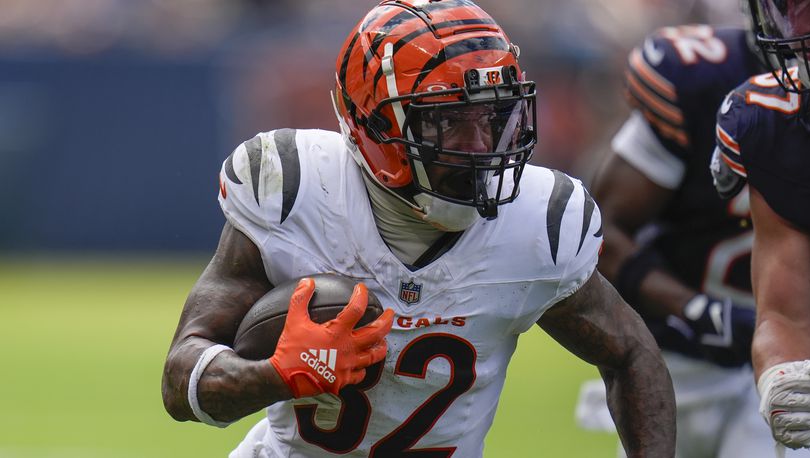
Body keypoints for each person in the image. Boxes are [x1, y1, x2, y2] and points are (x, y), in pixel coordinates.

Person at [161, 1, 676, 457]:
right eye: (447, 121)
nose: (479, 146)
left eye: (492, 118)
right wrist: (278, 375)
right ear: (375, 126)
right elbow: (181, 382)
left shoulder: (539, 223)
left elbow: (631, 353)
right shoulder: (294, 188)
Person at [574, 12, 810, 457]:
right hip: (683, 360)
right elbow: (600, 231)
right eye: (790, 7)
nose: (801, 25)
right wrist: (700, 311)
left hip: (796, 352)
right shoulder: (702, 79)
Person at [712, 0, 810, 453]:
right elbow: (787, 312)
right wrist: (782, 374)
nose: (801, 29)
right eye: (793, 8)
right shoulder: (771, 119)